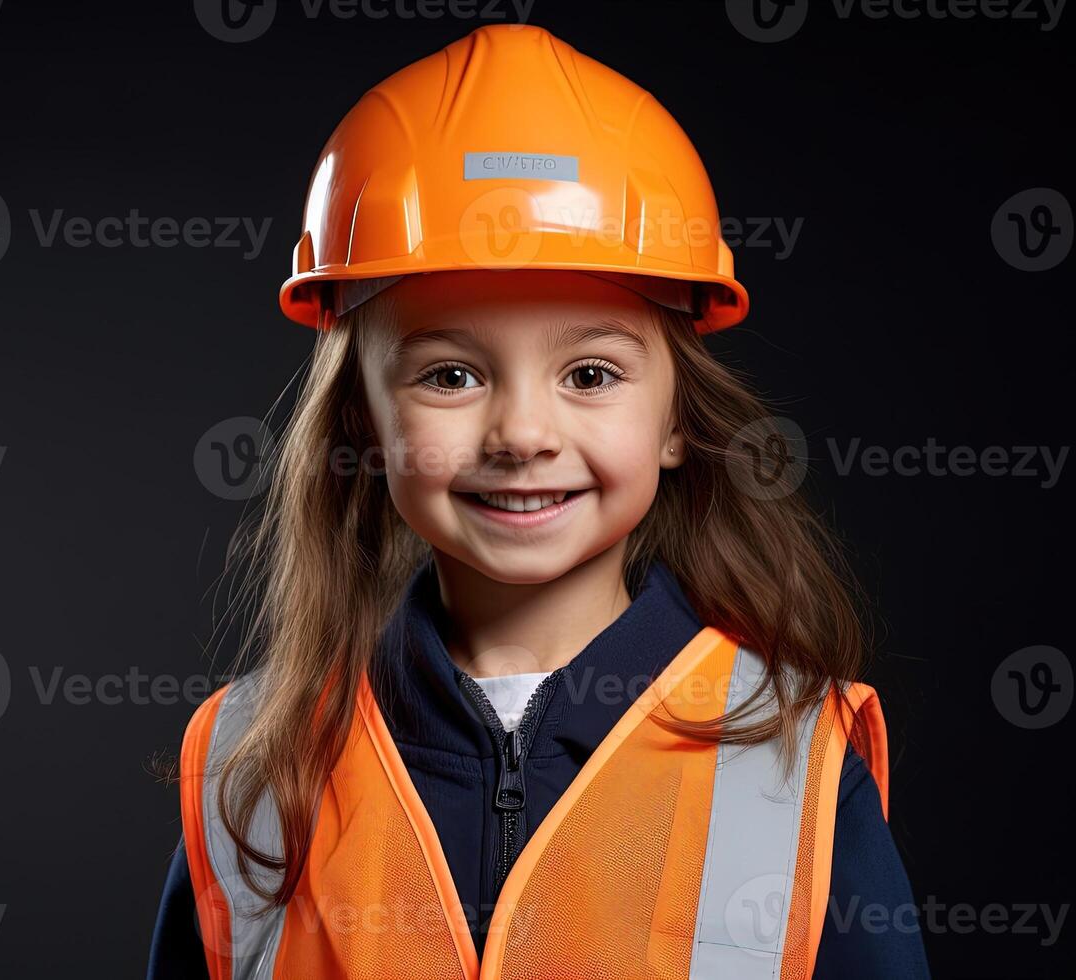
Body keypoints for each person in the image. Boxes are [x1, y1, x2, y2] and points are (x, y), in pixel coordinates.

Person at [147, 23, 929, 979]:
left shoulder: (789, 759)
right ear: (361, 420)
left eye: (591, 373)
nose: (522, 433)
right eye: (449, 376)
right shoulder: (255, 767)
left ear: (676, 418)